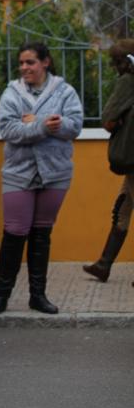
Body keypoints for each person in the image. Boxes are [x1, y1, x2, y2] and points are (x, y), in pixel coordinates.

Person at [0, 42, 83, 315]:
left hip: (55, 172)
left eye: (30, 62)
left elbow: (74, 125)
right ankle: (1, 296)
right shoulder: (11, 93)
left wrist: (36, 121)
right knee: (15, 231)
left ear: (45, 63)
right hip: (19, 172)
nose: (24, 68)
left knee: (42, 232)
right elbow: (9, 130)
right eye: (22, 63)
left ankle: (37, 295)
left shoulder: (65, 92)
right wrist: (45, 125)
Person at [84, 40, 134, 282]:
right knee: (123, 207)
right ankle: (104, 264)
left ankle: (104, 264)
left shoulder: (128, 81)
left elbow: (108, 118)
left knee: (123, 208)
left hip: (132, 155)